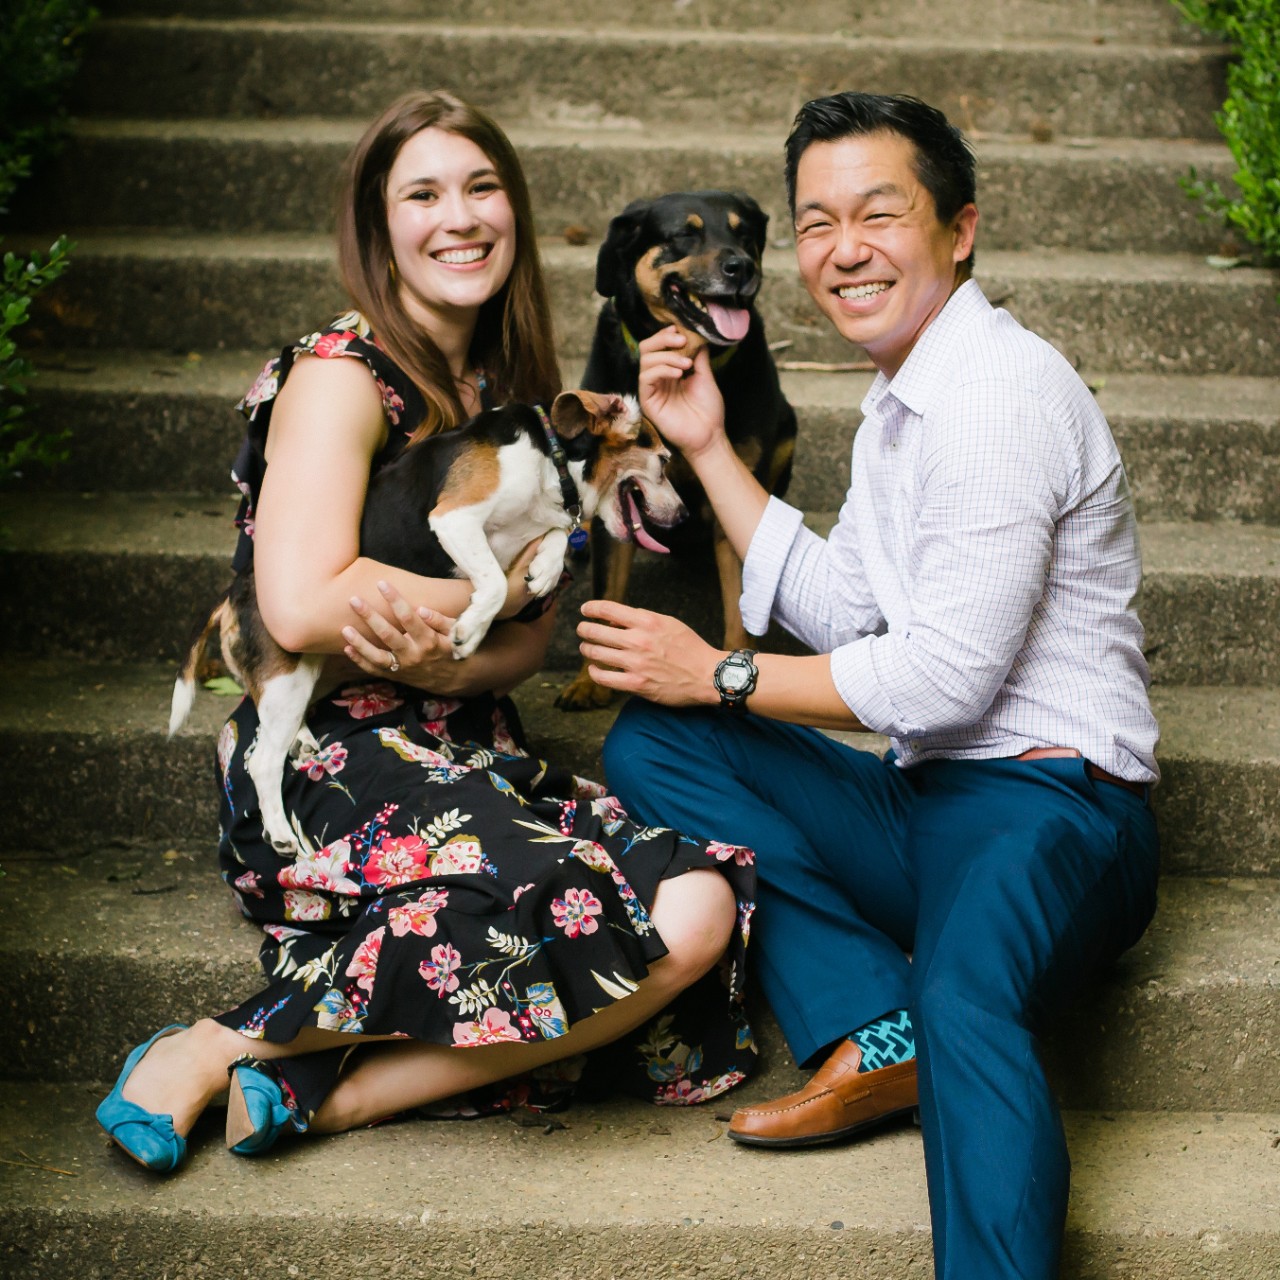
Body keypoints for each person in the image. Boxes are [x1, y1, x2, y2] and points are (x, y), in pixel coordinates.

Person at [96, 90, 757, 1176]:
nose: (459, 216)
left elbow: (517, 655)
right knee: (575, 906)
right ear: (378, 224)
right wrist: (489, 600)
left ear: (516, 211)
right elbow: (305, 605)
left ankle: (334, 1092)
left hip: (468, 750)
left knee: (694, 909)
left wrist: (461, 627)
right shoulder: (338, 377)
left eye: (482, 187)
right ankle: (216, 1039)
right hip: (332, 755)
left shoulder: (519, 398)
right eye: (422, 193)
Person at [579, 92, 1159, 1280]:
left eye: (877, 213)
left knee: (966, 999)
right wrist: (702, 446)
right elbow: (849, 604)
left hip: (1054, 808)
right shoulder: (905, 397)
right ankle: (865, 1015)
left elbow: (940, 679)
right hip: (931, 805)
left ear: (958, 229)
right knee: (657, 743)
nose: (842, 248)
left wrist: (722, 668)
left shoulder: (992, 398)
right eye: (815, 221)